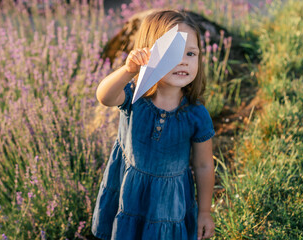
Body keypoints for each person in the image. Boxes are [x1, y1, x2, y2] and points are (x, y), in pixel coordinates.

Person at [92, 9, 215, 240]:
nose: (183, 61)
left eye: (191, 53)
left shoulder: (196, 114)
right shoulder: (134, 97)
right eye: (173, 53)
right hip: (130, 195)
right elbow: (104, 97)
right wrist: (128, 70)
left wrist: (205, 212)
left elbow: (204, 166)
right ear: (148, 54)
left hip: (169, 205)